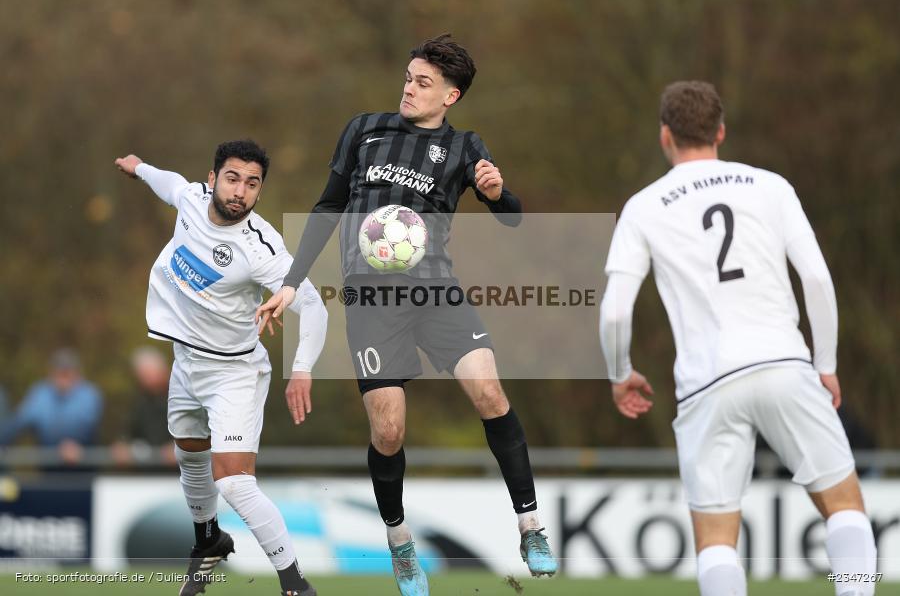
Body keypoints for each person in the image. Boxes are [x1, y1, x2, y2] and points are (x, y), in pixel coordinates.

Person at [257, 34, 557, 595]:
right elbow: (328, 206)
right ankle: (400, 544)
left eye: (423, 82)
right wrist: (291, 282)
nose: (409, 88)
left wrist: (498, 194)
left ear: (451, 96)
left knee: (490, 393)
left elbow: (513, 216)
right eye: (408, 77)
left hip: (437, 293)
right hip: (372, 303)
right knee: (389, 430)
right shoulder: (364, 130)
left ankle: (531, 526)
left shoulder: (465, 146)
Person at [599, 81, 877, 596]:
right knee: (844, 506)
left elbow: (615, 311)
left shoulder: (644, 206)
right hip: (783, 363)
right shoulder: (771, 187)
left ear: (665, 136)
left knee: (716, 540)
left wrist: (620, 374)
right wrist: (827, 363)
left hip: (707, 384)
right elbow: (816, 279)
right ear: (720, 132)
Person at [115, 139, 327, 596]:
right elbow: (171, 184)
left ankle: (295, 583)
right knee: (190, 455)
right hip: (186, 361)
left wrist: (302, 369)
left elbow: (314, 306)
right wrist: (140, 167)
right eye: (232, 179)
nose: (240, 192)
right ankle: (209, 541)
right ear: (212, 179)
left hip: (234, 374)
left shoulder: (261, 248)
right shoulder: (192, 200)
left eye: (252, 184)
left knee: (233, 483)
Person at [0, 348, 103, 468]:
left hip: (84, 465)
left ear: (77, 373)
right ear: (51, 373)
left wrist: (75, 443)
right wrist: (3, 441)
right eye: (59, 372)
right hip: (49, 467)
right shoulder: (40, 393)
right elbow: (18, 422)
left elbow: (87, 426)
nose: (63, 378)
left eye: (67, 372)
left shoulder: (89, 393)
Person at [111, 346, 176, 468]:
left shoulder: (181, 397)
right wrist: (122, 444)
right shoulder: (139, 402)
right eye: (143, 374)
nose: (147, 379)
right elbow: (128, 430)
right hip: (147, 473)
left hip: (179, 473)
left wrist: (181, 446)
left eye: (149, 373)